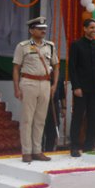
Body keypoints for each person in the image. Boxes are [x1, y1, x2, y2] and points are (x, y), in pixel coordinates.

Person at [13, 17, 59, 163]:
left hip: (45, 83)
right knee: (27, 119)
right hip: (28, 82)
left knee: (40, 119)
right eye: (40, 28)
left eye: (44, 28)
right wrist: (16, 87)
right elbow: (16, 68)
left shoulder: (50, 46)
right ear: (31, 30)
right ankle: (26, 151)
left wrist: (54, 85)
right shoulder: (23, 46)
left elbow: (56, 65)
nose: (43, 31)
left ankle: (37, 150)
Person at [68, 19, 95, 156]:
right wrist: (76, 86)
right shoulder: (76, 45)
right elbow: (72, 67)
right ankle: (74, 146)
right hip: (81, 89)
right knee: (78, 117)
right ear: (85, 29)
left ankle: (89, 145)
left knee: (94, 117)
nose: (94, 30)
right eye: (91, 28)